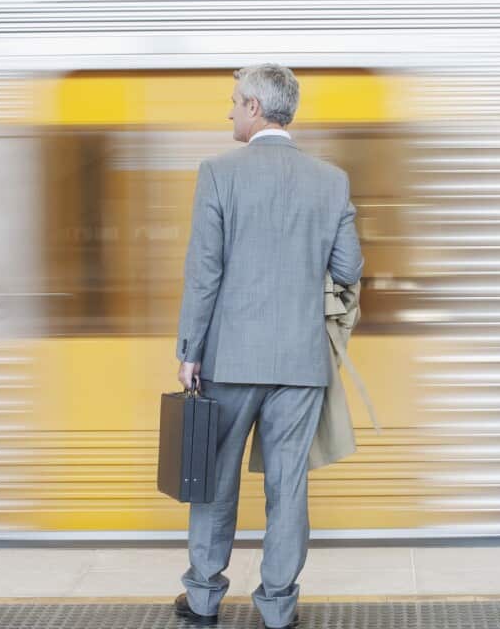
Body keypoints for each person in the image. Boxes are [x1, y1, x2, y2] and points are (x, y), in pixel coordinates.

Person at [173, 63, 363, 629]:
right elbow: (349, 267)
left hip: (229, 359)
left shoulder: (218, 173)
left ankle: (204, 598)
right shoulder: (331, 180)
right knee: (289, 486)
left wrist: (189, 352)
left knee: (215, 482)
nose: (229, 110)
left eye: (235, 101)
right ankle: (278, 606)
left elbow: (204, 273)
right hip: (302, 364)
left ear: (255, 108)